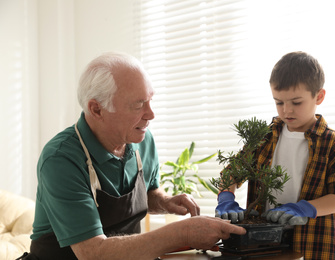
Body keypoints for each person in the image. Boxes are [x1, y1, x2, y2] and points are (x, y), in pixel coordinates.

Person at [22, 52, 245, 260]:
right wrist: (182, 233)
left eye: (150, 100)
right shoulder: (60, 159)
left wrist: (165, 202)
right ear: (97, 109)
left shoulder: (141, 139)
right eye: (138, 105)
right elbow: (92, 253)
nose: (151, 114)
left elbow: (147, 193)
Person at [215, 51, 335, 260]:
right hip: (262, 247)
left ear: (319, 96)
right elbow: (232, 173)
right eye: (279, 102)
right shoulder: (264, 137)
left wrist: (305, 208)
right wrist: (226, 197)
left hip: (310, 245)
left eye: (296, 102)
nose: (286, 110)